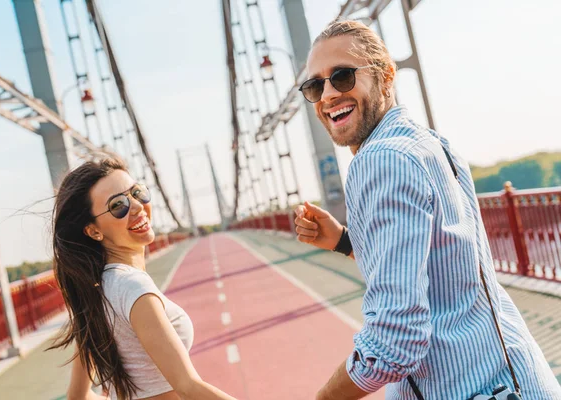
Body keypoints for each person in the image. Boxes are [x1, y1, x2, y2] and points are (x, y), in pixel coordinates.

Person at [294, 19, 561, 400]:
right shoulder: (432, 145)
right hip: (520, 379)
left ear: (386, 76)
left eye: (342, 76)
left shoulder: (380, 160)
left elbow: (393, 341)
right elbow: (442, 266)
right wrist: (343, 241)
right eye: (315, 85)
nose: (328, 94)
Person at [48, 157, 237, 400]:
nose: (137, 206)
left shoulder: (95, 294)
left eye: (137, 193)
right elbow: (188, 386)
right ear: (94, 230)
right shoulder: (133, 287)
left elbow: (79, 397)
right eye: (118, 206)